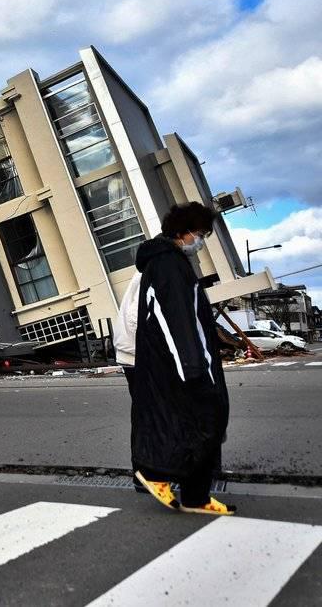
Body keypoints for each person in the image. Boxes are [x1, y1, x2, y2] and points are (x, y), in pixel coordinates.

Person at [131, 202, 234, 515]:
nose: (200, 241)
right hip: (186, 365)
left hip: (185, 363)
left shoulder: (170, 263)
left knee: (191, 425)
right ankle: (160, 477)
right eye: (199, 234)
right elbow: (175, 320)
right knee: (206, 422)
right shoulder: (168, 265)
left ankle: (193, 494)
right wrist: (192, 369)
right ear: (183, 231)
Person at [111, 268, 144, 493]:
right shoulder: (155, 270)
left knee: (146, 414)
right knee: (149, 415)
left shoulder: (146, 269)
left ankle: (147, 473)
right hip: (138, 356)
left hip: (132, 355)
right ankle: (146, 475)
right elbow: (136, 318)